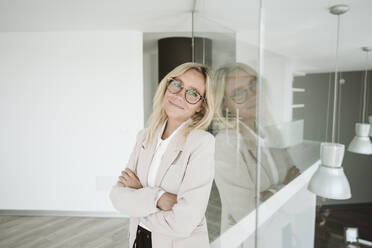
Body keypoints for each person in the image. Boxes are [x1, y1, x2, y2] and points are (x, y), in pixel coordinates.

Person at [109, 62, 215, 248]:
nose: (180, 95)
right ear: (167, 86)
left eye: (192, 93)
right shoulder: (145, 136)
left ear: (201, 106)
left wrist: (139, 196)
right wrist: (160, 198)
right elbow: (117, 197)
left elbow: (184, 222)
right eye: (177, 84)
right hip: (138, 239)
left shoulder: (201, 142)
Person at [212, 62, 300, 234]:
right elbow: (250, 218)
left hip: (283, 233)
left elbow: (297, 181)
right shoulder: (225, 144)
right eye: (238, 93)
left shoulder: (272, 133)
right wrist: (285, 189)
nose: (253, 95)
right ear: (224, 105)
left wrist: (269, 195)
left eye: (253, 85)